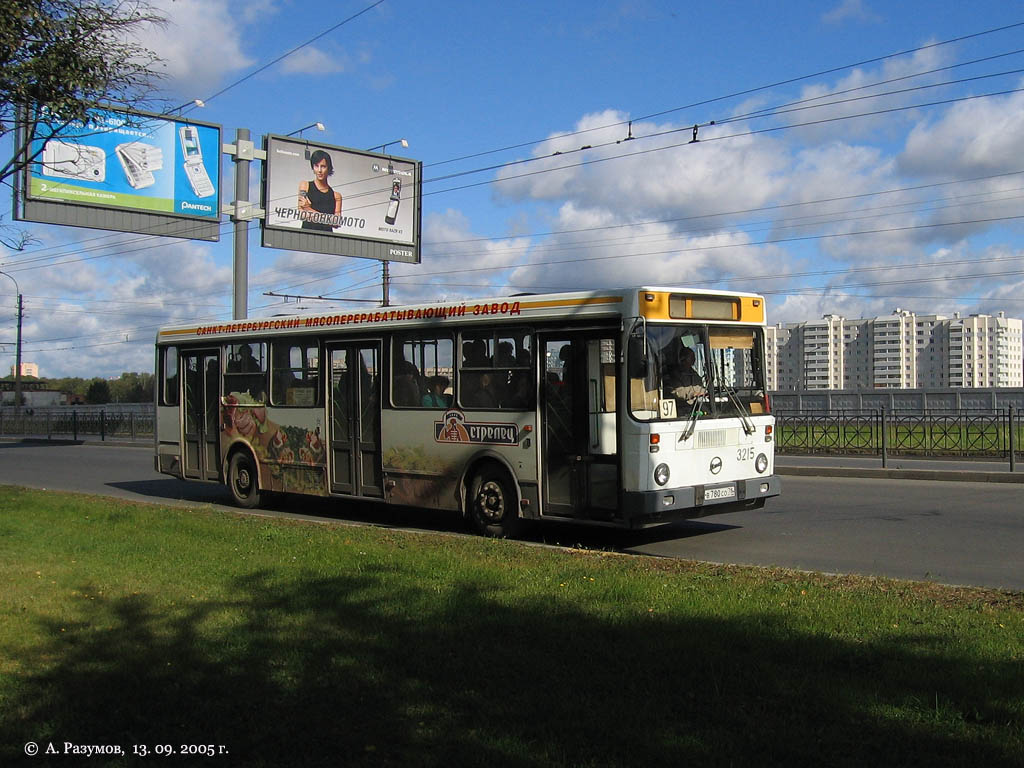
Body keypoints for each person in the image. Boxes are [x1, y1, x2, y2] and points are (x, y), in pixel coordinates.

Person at [298, 150, 342, 232]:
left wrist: (308, 209)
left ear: (328, 168)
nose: (319, 170)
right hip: (307, 235)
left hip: (327, 239)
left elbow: (337, 223)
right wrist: (328, 220)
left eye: (323, 166)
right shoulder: (304, 185)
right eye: (316, 166)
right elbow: (302, 214)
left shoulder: (336, 196)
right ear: (313, 168)